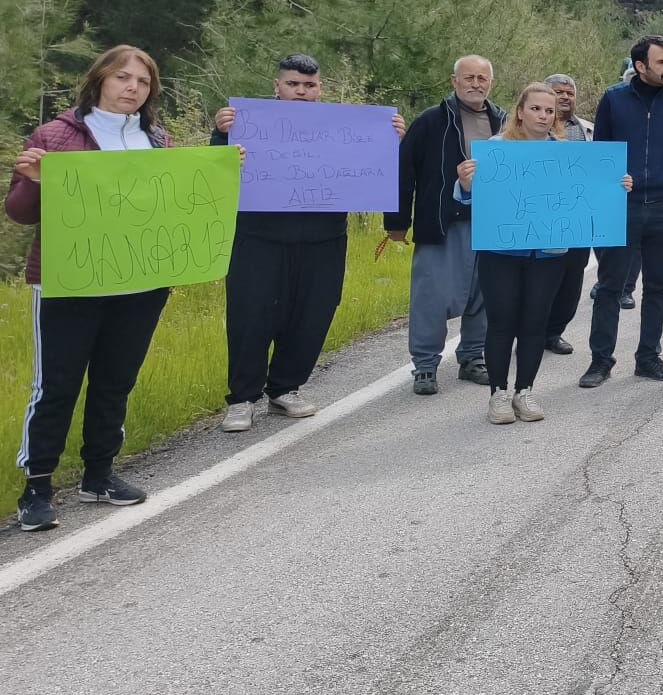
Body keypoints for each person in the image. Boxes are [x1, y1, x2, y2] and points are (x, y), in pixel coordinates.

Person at [9, 46, 176, 530]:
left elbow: (170, 204)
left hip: (140, 280)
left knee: (115, 379)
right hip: (70, 282)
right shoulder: (57, 135)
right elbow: (19, 212)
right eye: (122, 77)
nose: (132, 88)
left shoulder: (157, 139)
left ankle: (99, 474)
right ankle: (36, 486)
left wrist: (223, 171)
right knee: (57, 385)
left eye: (142, 83)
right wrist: (34, 180)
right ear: (99, 79)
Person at [212, 54, 406, 431]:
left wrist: (390, 138)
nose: (301, 91)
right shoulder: (248, 122)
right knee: (251, 316)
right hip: (258, 238)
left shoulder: (341, 126)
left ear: (320, 89)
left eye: (309, 85)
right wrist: (222, 135)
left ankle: (286, 388)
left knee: (313, 312)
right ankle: (242, 398)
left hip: (324, 238)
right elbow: (219, 169)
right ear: (277, 87)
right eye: (293, 84)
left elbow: (370, 166)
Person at [456, 83, 632, 422]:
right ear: (520, 111)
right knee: (502, 321)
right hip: (502, 252)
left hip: (550, 252)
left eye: (549, 111)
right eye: (536, 108)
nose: (543, 115)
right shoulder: (496, 149)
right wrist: (465, 183)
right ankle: (498, 394)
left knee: (535, 322)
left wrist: (617, 185)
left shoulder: (567, 154)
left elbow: (591, 192)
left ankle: (525, 392)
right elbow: (468, 199)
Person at [582, 35, 663, 389]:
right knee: (608, 289)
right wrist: (608, 192)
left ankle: (648, 357)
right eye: (662, 63)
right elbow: (599, 156)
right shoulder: (613, 100)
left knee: (658, 289)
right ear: (640, 66)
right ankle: (600, 362)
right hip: (622, 209)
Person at [387, 55, 503, 395]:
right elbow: (402, 172)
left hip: (490, 224)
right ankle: (425, 365)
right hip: (441, 223)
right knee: (431, 297)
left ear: (490, 83)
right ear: (454, 82)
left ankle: (472, 358)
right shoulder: (431, 121)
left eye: (482, 78)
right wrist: (397, 222)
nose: (476, 84)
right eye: (469, 77)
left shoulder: (503, 122)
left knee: (485, 295)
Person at [540, 73, 591, 357]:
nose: (564, 97)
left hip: (578, 218)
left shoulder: (587, 129)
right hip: (540, 217)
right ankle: (531, 331)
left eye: (569, 93)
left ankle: (554, 332)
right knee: (541, 279)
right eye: (558, 92)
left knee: (572, 279)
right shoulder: (529, 129)